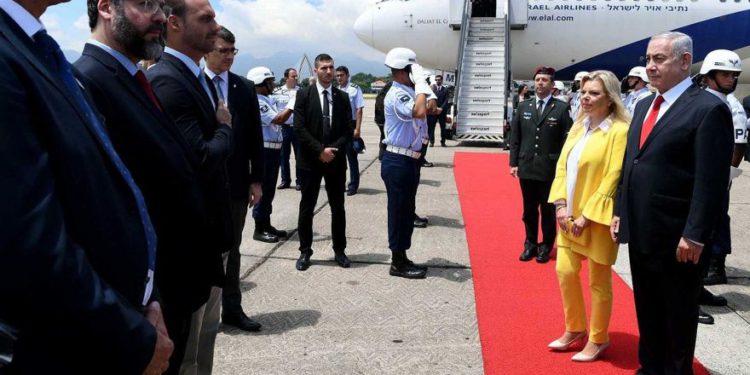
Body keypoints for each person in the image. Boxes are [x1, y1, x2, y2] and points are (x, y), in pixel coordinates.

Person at [0, 0, 172, 373]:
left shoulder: (36, 49)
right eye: (146, 3)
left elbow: (113, 193)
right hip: (72, 347)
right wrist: (133, 339)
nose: (160, 15)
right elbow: (28, 242)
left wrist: (148, 293)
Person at [76, 0, 219, 370]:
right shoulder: (90, 80)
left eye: (160, 4)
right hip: (147, 299)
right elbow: (100, 212)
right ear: (106, 7)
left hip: (173, 286)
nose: (158, 15)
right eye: (144, 3)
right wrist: (139, 306)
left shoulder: (131, 78)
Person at [612, 32, 733, 375]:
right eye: (649, 59)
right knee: (648, 309)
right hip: (643, 231)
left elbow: (710, 182)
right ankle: (650, 367)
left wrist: (694, 234)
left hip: (679, 237)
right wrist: (621, 211)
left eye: (659, 59)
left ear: (684, 61)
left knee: (678, 316)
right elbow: (631, 162)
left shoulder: (708, 109)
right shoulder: (643, 105)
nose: (650, 66)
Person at [146, 0, 233, 373]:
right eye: (206, 18)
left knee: (202, 338)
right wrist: (225, 127)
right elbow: (199, 158)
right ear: (174, 24)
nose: (216, 27)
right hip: (185, 251)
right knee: (183, 354)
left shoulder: (192, 77)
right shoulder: (168, 79)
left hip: (206, 243)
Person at [547, 70, 630, 362]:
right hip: (567, 216)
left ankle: (598, 338)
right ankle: (575, 328)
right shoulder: (579, 125)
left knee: (599, 281)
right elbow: (562, 165)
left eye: (594, 93)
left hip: (597, 218)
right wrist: (559, 205)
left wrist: (588, 216)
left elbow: (614, 175)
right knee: (565, 272)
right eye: (583, 92)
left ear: (610, 98)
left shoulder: (619, 130)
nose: (586, 97)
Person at [203, 26, 265, 332]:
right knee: (204, 246)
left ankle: (232, 308)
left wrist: (257, 179)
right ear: (206, 50)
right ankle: (203, 312)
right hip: (204, 181)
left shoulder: (244, 87)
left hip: (238, 183)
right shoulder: (193, 82)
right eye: (222, 51)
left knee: (234, 246)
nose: (228, 57)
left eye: (232, 51)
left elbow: (255, 137)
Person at [693, 49, 747, 324]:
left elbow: (738, 145)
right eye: (725, 74)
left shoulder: (731, 105)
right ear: (709, 75)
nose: (731, 79)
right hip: (697, 184)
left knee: (705, 238)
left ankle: (696, 292)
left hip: (715, 183)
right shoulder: (700, 101)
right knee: (695, 241)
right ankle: (690, 297)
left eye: (734, 75)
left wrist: (724, 180)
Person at [293, 53, 353, 271]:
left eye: (331, 67)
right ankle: (305, 251)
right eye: (324, 68)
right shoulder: (303, 95)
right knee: (306, 207)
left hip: (335, 161)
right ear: (315, 71)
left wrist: (332, 151)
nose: (329, 71)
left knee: (338, 208)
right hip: (310, 161)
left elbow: (348, 130)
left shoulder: (342, 97)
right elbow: (299, 128)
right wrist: (320, 150)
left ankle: (339, 250)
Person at [381, 47, 436, 279]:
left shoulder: (409, 90)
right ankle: (397, 262)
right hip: (398, 160)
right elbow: (420, 110)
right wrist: (422, 84)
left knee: (406, 211)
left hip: (409, 160)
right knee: (399, 212)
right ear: (404, 71)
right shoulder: (398, 94)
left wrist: (424, 87)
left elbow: (430, 108)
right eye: (413, 70)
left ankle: (402, 256)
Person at [509, 65, 573, 263]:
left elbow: (567, 140)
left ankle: (546, 245)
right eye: (537, 80)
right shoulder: (524, 107)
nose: (540, 83)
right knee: (528, 210)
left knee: (547, 210)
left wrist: (564, 168)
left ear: (552, 85)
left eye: (544, 80)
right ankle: (530, 243)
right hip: (527, 166)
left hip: (549, 169)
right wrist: (513, 162)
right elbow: (515, 137)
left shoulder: (561, 108)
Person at [247, 66, 292, 243]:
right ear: (260, 83)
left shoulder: (266, 99)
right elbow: (279, 119)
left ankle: (266, 223)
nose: (273, 84)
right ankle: (259, 228)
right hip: (265, 151)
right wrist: (292, 104)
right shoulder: (258, 102)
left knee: (270, 190)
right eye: (269, 81)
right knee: (263, 189)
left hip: (273, 150)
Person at [336, 65, 366, 196]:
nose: (339, 78)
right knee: (339, 158)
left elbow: (359, 109)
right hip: (339, 126)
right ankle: (340, 184)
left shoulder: (354, 89)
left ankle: (353, 185)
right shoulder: (335, 90)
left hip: (351, 125)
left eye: (341, 75)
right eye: (337, 76)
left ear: (347, 76)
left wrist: (357, 129)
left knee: (351, 157)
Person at [274, 68, 302, 190]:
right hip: (283, 128)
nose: (296, 78)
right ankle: (285, 180)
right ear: (286, 78)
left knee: (299, 156)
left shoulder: (301, 91)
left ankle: (300, 181)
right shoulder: (277, 92)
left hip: (297, 128)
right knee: (283, 156)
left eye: (296, 76)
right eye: (293, 76)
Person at [427, 74, 451, 147]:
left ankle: (443, 142)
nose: (437, 81)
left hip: (442, 112)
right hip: (433, 112)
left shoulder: (445, 90)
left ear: (442, 80)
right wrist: (435, 108)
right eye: (436, 80)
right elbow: (430, 99)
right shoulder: (432, 89)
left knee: (443, 127)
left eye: (439, 80)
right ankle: (431, 142)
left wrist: (441, 108)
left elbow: (446, 100)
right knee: (431, 127)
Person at [374, 81, 393, 160]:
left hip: (379, 121)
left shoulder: (379, 97)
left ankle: (381, 155)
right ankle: (384, 155)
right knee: (386, 138)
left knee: (382, 136)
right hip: (385, 121)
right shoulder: (388, 97)